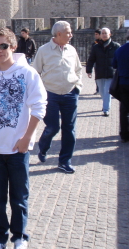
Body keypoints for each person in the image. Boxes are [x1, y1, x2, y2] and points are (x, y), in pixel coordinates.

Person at [0, 28, 47, 249]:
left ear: (13, 47)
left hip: (18, 148)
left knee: (19, 197)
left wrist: (27, 137)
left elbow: (39, 107)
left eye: (3, 46)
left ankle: (20, 236)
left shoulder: (28, 74)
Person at [33, 21, 82, 174]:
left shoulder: (71, 50)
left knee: (69, 129)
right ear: (59, 34)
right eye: (68, 32)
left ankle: (65, 161)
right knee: (53, 127)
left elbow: (78, 69)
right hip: (51, 95)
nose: (71, 35)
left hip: (70, 94)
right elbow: (35, 73)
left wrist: (77, 88)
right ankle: (43, 147)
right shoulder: (43, 50)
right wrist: (41, 93)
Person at [86, 28, 120, 116]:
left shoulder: (116, 46)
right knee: (101, 91)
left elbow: (120, 59)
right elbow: (91, 59)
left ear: (110, 34)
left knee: (107, 91)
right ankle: (105, 103)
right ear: (100, 35)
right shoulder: (96, 47)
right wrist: (89, 70)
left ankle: (106, 109)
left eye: (106, 33)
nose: (104, 35)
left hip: (111, 72)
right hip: (100, 72)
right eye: (102, 33)